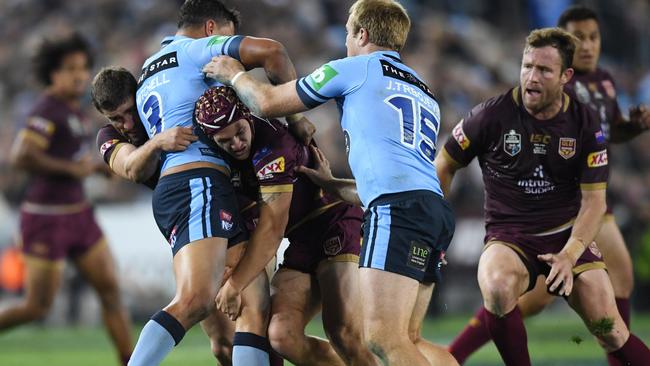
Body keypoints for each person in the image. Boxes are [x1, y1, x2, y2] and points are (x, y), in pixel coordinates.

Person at [204, 1, 457, 364]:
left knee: (383, 339)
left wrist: (234, 74)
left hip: (397, 212)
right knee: (410, 338)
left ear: (361, 34)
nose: (346, 41)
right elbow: (397, 177)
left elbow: (268, 101)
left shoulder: (356, 68)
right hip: (432, 210)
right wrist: (334, 184)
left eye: (348, 33)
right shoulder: (423, 91)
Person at [435, 27, 650, 365]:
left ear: (565, 75)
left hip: (566, 235)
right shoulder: (489, 115)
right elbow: (443, 165)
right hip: (509, 238)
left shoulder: (584, 122)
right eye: (527, 66)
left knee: (610, 329)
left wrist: (570, 254)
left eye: (544, 70)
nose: (531, 77)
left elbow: (595, 201)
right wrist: (435, 225)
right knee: (496, 286)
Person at [129, 1, 301, 365]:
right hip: (198, 183)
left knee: (252, 301)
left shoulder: (147, 71)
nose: (229, 47)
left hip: (183, 187)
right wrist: (296, 121)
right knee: (195, 300)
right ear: (211, 28)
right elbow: (274, 51)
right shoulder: (195, 50)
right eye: (227, 36)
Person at [195, 86, 375, 365]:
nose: (237, 144)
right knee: (280, 336)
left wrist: (236, 284)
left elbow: (272, 228)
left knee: (344, 333)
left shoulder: (274, 145)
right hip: (301, 241)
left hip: (335, 223)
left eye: (240, 132)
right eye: (225, 141)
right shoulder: (221, 161)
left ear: (247, 115)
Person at [91, 66, 238, 366]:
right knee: (221, 339)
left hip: (218, 200)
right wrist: (157, 142)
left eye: (130, 111)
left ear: (140, 97)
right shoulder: (108, 137)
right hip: (189, 213)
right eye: (116, 118)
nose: (128, 123)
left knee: (241, 324)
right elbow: (131, 168)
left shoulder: (167, 102)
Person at [2, 33, 133, 365]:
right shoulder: (46, 110)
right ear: (52, 73)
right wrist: (75, 170)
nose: (79, 74)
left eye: (83, 67)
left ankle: (132, 361)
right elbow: (21, 156)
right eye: (70, 68)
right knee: (37, 307)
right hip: (46, 219)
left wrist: (91, 169)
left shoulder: (72, 109)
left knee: (111, 292)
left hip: (80, 215)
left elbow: (73, 160)